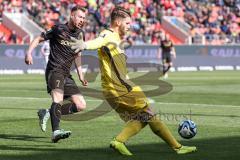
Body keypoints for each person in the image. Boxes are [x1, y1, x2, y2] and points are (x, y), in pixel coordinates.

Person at [70, 6, 196, 156]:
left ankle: (121, 141)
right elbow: (98, 41)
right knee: (149, 114)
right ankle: (176, 147)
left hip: (114, 88)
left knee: (144, 117)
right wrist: (84, 45)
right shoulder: (108, 34)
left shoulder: (116, 39)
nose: (130, 27)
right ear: (117, 22)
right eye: (128, 23)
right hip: (119, 88)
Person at [25, 5, 88, 143]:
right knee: (57, 99)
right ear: (72, 15)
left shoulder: (80, 34)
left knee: (80, 105)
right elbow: (38, 39)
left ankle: (48, 112)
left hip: (67, 74)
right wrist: (29, 52)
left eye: (84, 17)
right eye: (79, 16)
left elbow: (77, 55)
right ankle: (56, 131)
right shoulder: (58, 29)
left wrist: (81, 75)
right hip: (54, 70)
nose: (82, 20)